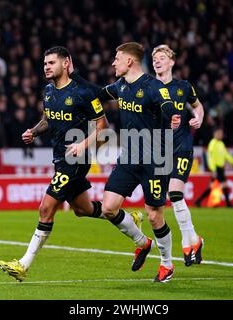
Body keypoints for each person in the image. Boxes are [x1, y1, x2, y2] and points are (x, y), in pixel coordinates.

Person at [0, 46, 116, 281]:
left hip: (76, 158)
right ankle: (130, 224)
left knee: (45, 208)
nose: (47, 67)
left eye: (51, 62)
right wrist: (34, 131)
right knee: (83, 209)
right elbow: (49, 119)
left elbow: (103, 126)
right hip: (60, 156)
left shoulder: (83, 92)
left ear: (65, 63)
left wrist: (83, 144)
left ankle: (23, 264)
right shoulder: (49, 91)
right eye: (45, 64)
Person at [71, 42, 181, 282]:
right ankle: (142, 243)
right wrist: (73, 76)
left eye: (117, 58)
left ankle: (167, 264)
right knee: (109, 207)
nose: (113, 63)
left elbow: (167, 103)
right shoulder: (120, 86)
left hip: (155, 159)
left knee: (154, 216)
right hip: (129, 158)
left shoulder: (153, 86)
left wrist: (172, 113)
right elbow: (99, 92)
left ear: (129, 61)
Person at [152, 44, 205, 267]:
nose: (157, 61)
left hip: (181, 146)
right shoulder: (148, 87)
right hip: (158, 150)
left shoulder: (183, 86)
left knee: (174, 193)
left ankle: (187, 241)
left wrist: (198, 117)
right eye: (154, 58)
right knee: (160, 204)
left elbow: (198, 106)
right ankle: (195, 240)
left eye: (162, 57)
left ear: (171, 62)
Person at [195, 127, 233, 208]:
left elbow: (226, 155)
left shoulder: (221, 144)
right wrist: (213, 169)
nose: (220, 135)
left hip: (220, 168)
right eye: (219, 133)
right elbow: (210, 157)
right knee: (223, 185)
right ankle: (228, 204)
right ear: (215, 134)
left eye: (221, 133)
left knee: (212, 187)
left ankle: (198, 201)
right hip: (216, 168)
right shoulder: (213, 143)